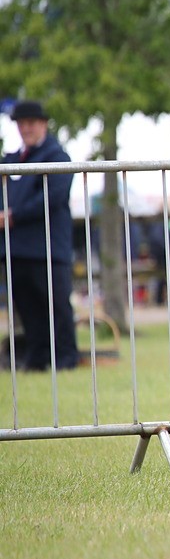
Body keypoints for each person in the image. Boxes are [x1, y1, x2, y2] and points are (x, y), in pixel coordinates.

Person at [1, 100, 79, 371]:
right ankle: (36, 358)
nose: (26, 129)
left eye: (31, 123)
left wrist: (13, 215)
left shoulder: (58, 157)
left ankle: (66, 359)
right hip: (16, 248)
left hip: (48, 248)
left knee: (57, 306)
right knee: (28, 310)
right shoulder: (10, 161)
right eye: (21, 124)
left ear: (43, 124)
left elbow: (52, 198)